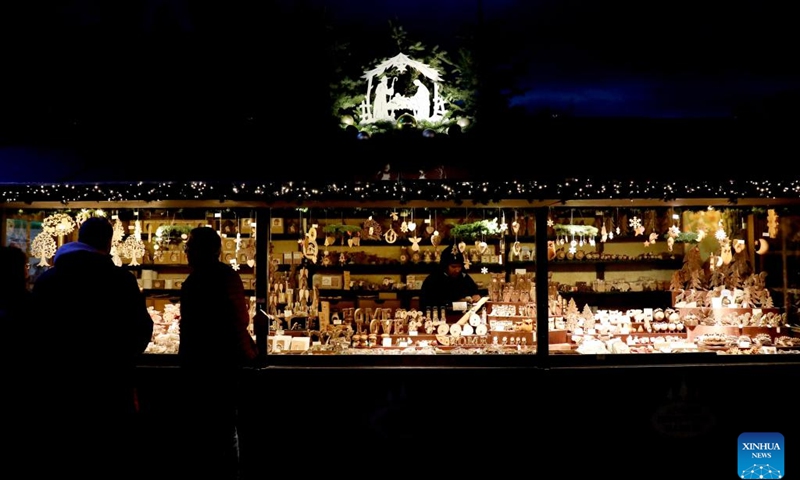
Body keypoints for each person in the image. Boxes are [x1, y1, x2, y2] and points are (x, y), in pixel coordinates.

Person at [31, 216, 154, 477]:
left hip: (59, 385)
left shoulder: (48, 281)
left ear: (79, 238)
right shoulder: (120, 280)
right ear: (109, 244)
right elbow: (141, 329)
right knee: (107, 456)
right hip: (109, 383)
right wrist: (121, 359)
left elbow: (35, 332)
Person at [177, 226, 258, 480]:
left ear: (202, 251)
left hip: (202, 364)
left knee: (205, 428)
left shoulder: (194, 282)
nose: (187, 252)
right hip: (225, 362)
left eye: (190, 247)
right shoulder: (227, 277)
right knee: (225, 425)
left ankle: (211, 476)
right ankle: (228, 475)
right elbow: (240, 319)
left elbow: (191, 328)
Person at [419, 244, 481, 314]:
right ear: (445, 265)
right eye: (453, 267)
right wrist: (456, 303)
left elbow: (474, 293)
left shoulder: (464, 277)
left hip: (464, 318)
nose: (457, 270)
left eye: (459, 267)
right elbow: (427, 304)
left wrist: (476, 297)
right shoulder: (433, 280)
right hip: (440, 319)